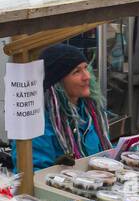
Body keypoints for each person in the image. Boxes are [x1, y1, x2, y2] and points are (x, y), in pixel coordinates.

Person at [17, 42, 112, 170]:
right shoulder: (37, 124)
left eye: (85, 68)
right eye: (77, 72)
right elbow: (33, 174)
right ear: (58, 83)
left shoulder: (91, 113)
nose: (87, 76)